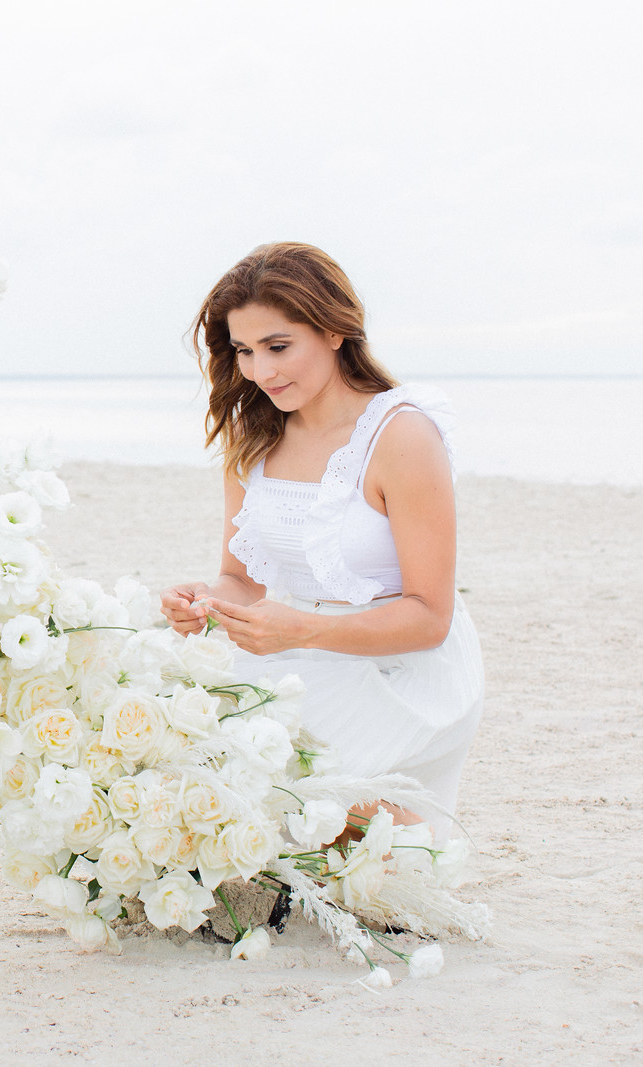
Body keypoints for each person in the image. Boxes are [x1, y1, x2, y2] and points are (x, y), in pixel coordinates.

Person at [160, 242, 483, 840]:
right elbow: (242, 580)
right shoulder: (254, 437)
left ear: (334, 330)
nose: (261, 372)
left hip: (402, 670)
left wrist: (304, 631)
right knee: (165, 717)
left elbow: (430, 618)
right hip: (297, 649)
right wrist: (204, 601)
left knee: (262, 773)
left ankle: (393, 824)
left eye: (278, 347)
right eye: (244, 351)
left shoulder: (401, 435)